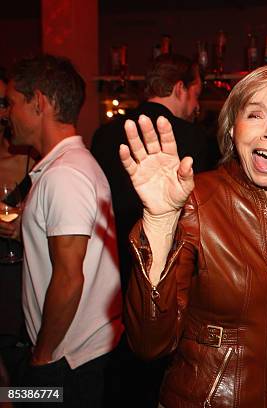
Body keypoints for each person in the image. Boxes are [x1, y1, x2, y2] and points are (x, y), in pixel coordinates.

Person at [123, 64, 267, 407]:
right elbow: (148, 343)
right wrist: (159, 220)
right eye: (256, 114)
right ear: (233, 127)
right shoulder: (196, 200)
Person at [6, 54, 123, 407]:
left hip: (64, 362)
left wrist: (41, 357)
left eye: (11, 103)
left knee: (17, 399)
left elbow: (70, 279)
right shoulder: (69, 166)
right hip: (73, 355)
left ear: (38, 102)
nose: (6, 114)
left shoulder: (64, 175)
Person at [91, 53, 219, 293]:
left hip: (110, 264)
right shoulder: (194, 138)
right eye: (196, 95)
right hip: (168, 267)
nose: (197, 106)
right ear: (180, 88)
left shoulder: (104, 134)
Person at [0, 68, 36, 387]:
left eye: (4, 102)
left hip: (19, 275)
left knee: (24, 380)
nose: (3, 112)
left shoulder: (33, 158)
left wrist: (26, 222)